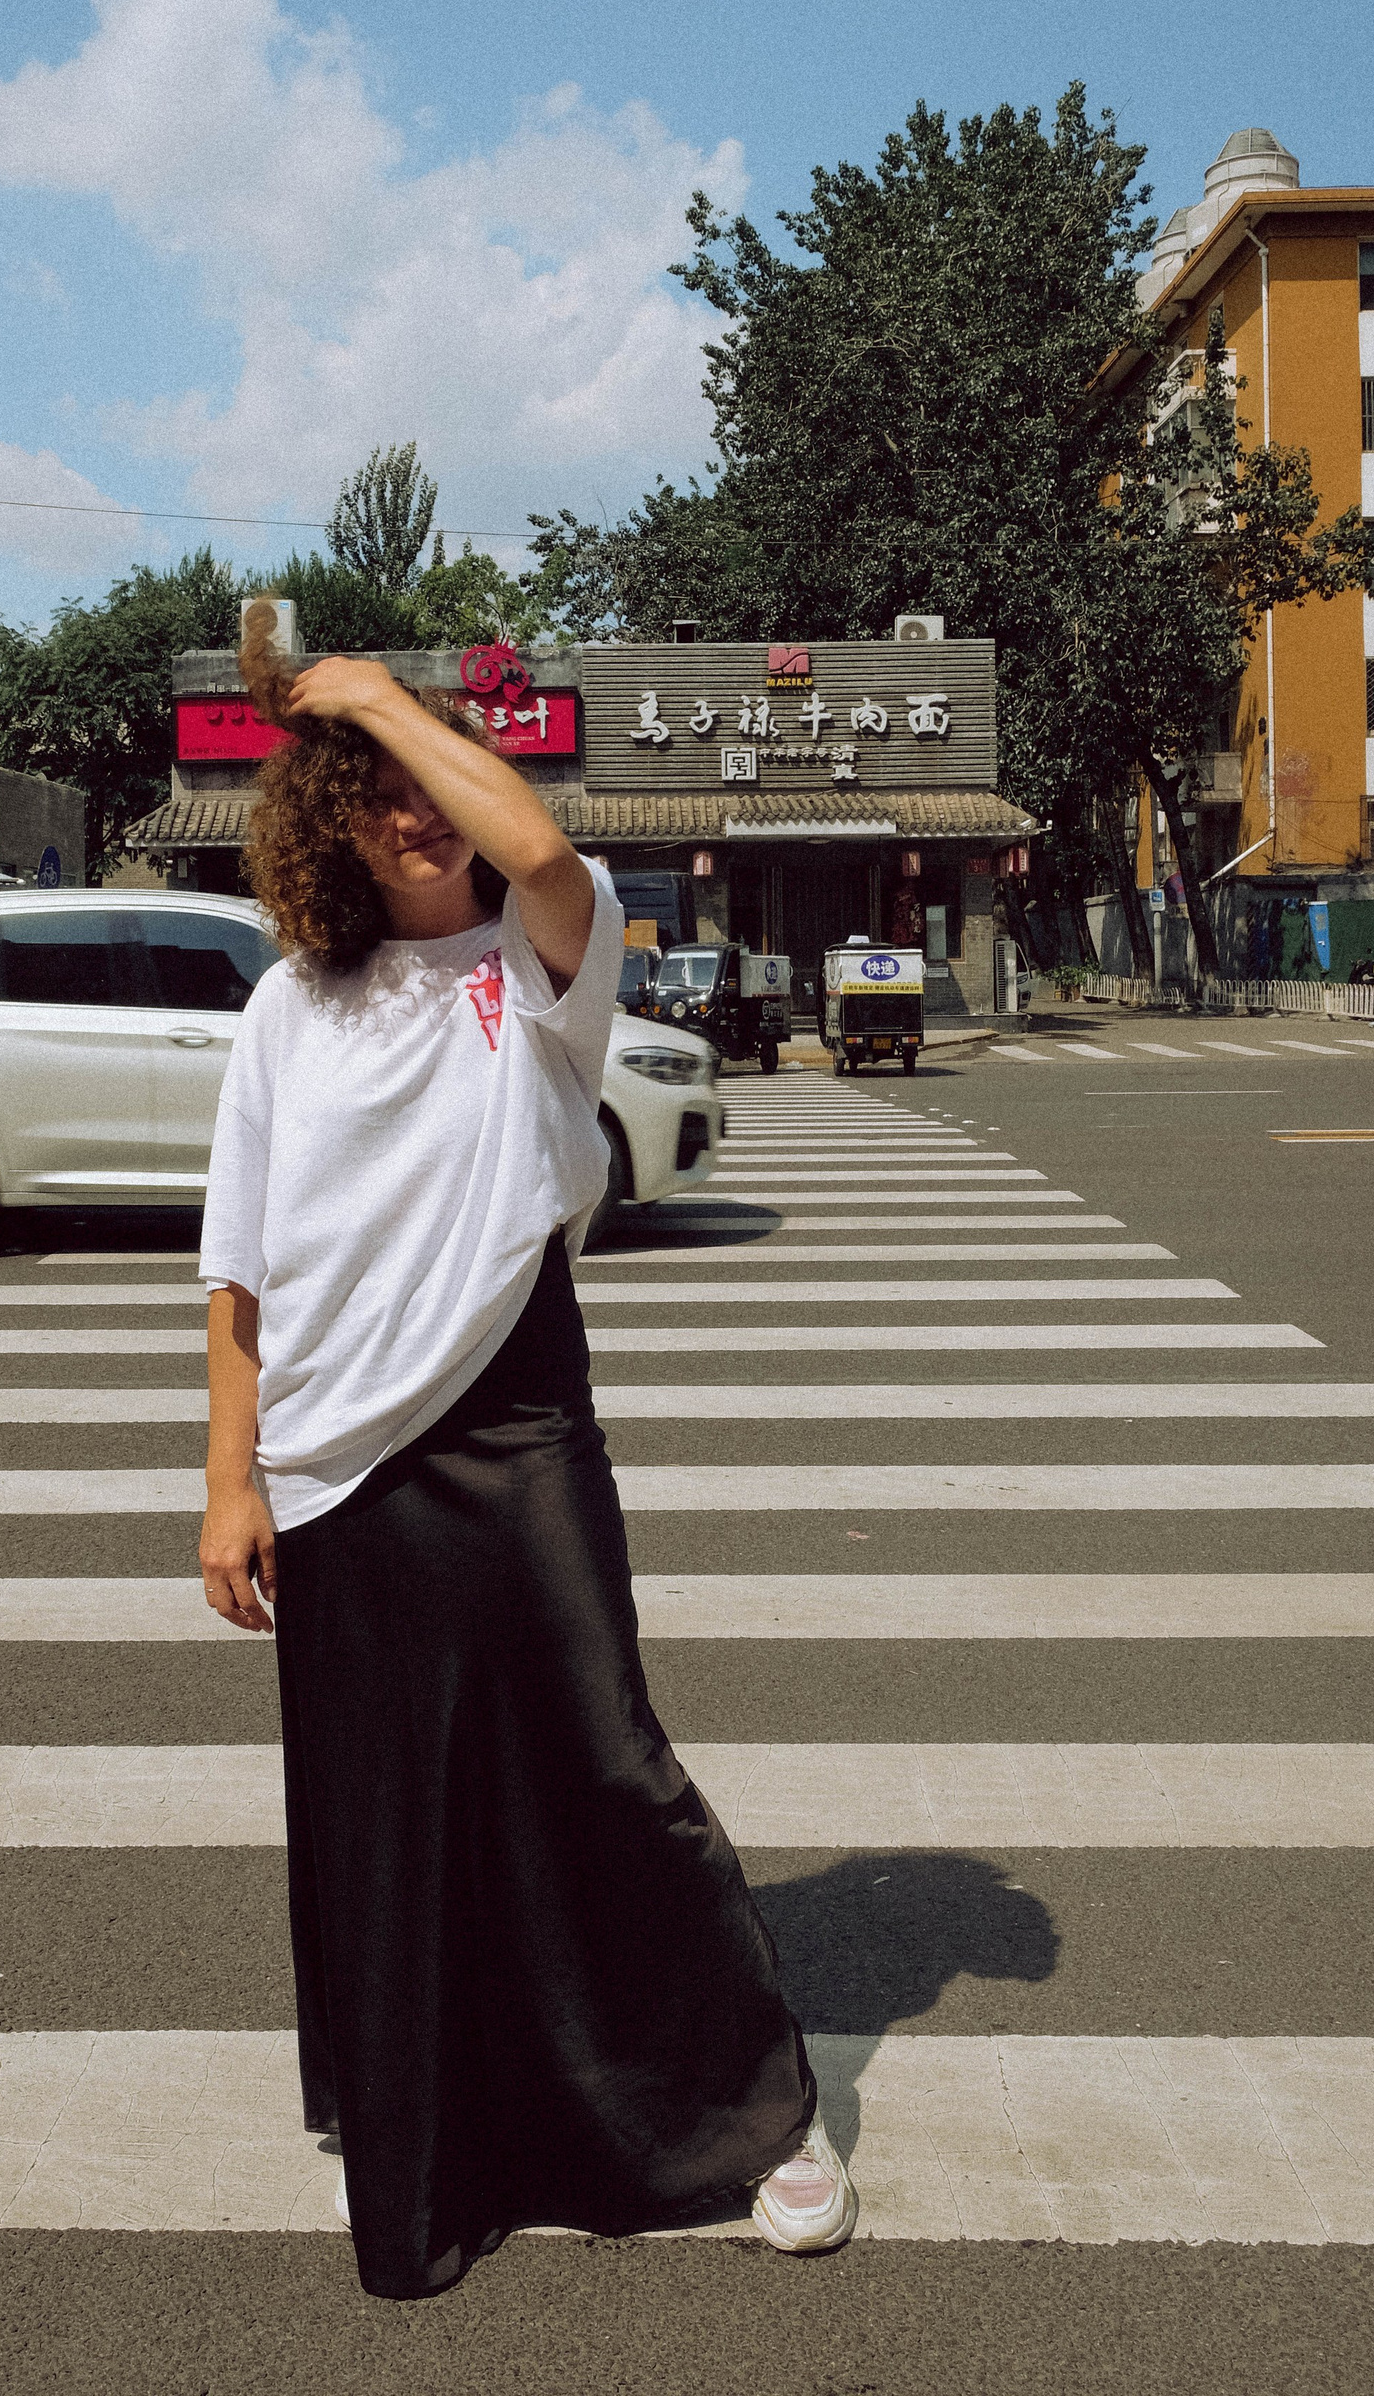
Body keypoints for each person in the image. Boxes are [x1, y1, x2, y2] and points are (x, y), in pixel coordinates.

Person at [197, 622, 857, 2299]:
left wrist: (372, 700)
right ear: (328, 822)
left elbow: (543, 852)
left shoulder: (547, 959)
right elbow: (239, 1269)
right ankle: (426, 2118)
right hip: (332, 1451)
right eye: (374, 791)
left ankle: (755, 2115)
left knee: (608, 1764)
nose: (415, 813)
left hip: (512, 1410)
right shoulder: (288, 1006)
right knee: (387, 1808)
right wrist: (229, 1479)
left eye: (433, 781)